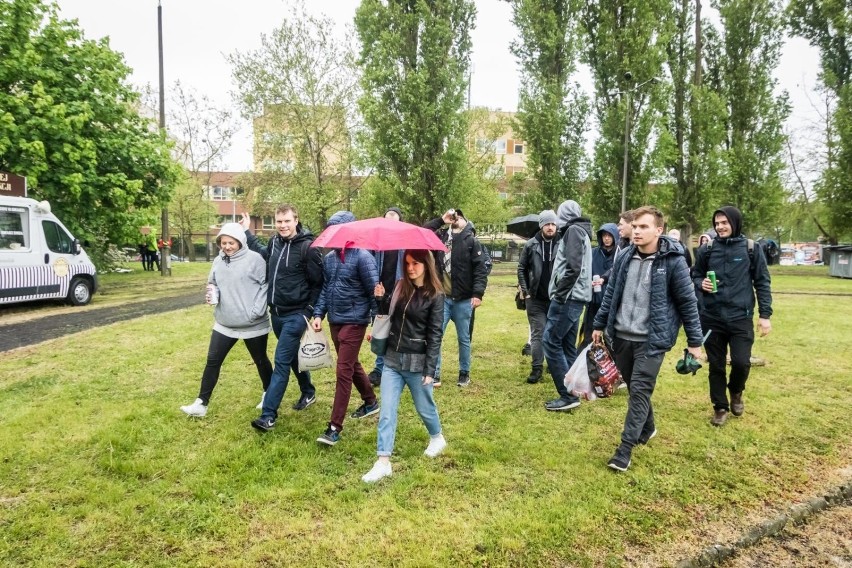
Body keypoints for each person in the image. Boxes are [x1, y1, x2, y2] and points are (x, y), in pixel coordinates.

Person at [592, 206, 704, 472]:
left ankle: (624, 450)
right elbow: (611, 295)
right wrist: (598, 324)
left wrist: (695, 342)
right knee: (635, 387)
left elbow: (688, 302)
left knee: (640, 391)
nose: (638, 231)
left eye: (644, 227)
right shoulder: (625, 257)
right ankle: (649, 427)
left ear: (659, 230)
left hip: (651, 341)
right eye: (636, 226)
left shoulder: (673, 261)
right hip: (620, 336)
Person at [361, 249, 447, 482]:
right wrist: (380, 299)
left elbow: (435, 334)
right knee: (386, 412)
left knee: (424, 407)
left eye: (416, 263)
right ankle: (383, 461)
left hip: (418, 364)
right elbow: (388, 315)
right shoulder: (401, 286)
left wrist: (431, 370)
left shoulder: (436, 295)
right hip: (392, 361)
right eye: (407, 263)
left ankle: (437, 437)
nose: (410, 268)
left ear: (426, 264)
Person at [243, 205, 324, 433]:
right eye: (279, 221)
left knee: (281, 362)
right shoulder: (274, 242)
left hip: (297, 315)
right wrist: (248, 233)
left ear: (296, 220)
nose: (282, 225)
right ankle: (308, 391)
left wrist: (311, 311)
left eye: (287, 221)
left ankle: (268, 416)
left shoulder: (309, 247)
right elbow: (264, 254)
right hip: (276, 314)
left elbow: (319, 284)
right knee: (292, 357)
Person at [180, 223, 272, 417]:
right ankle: (201, 404)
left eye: (231, 243)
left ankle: (268, 395)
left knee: (260, 360)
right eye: (223, 243)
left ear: (240, 242)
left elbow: (266, 285)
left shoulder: (255, 260)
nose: (227, 247)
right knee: (213, 360)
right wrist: (211, 295)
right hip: (224, 322)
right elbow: (212, 282)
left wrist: (256, 311)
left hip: (253, 323)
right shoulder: (218, 261)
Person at [691, 206, 773, 427]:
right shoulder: (707, 250)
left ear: (735, 223)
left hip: (740, 317)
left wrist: (765, 315)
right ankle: (720, 407)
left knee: (741, 362)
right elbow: (695, 274)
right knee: (716, 365)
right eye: (717, 223)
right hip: (711, 317)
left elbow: (762, 282)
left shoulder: (751, 249)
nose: (720, 227)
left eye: (724, 223)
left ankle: (736, 391)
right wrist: (701, 283)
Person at [312, 211, 380, 446]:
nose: (333, 234)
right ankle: (370, 401)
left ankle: (334, 427)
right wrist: (319, 313)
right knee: (351, 364)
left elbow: (374, 293)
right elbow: (325, 289)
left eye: (337, 229)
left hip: (355, 321)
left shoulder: (363, 257)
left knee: (343, 371)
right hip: (335, 320)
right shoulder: (330, 258)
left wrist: (376, 323)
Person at [424, 208, 489, 387]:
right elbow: (424, 232)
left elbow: (480, 270)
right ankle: (434, 373)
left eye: (459, 216)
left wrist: (477, 294)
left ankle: (464, 373)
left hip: (463, 299)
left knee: (464, 338)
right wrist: (441, 219)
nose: (456, 218)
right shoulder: (441, 237)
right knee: (435, 336)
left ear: (466, 221)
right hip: (442, 298)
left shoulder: (471, 241)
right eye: (454, 216)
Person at [542, 200, 593, 411]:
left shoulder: (573, 230)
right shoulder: (581, 231)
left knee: (551, 342)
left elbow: (573, 268)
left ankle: (568, 396)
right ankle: (578, 388)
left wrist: (560, 294)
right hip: (576, 297)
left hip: (568, 298)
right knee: (567, 346)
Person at [516, 209, 558, 384]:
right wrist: (525, 291)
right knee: (538, 333)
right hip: (535, 298)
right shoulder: (531, 244)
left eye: (552, 224)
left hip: (556, 298)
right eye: (547, 224)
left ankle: (554, 365)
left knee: (554, 334)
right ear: (541, 226)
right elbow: (521, 268)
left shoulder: (562, 243)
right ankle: (537, 368)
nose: (550, 227)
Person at [368, 206, 406, 387]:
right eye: (387, 219)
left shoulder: (405, 242)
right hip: (381, 293)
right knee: (381, 329)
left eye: (394, 219)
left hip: (400, 291)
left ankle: (391, 367)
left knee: (397, 331)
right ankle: (379, 369)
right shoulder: (377, 244)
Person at [579, 222, 619, 350]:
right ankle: (583, 362)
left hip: (611, 304)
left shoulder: (620, 255)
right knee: (588, 335)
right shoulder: (593, 253)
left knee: (610, 338)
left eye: (609, 235)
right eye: (604, 235)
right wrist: (587, 283)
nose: (606, 238)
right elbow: (583, 270)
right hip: (594, 300)